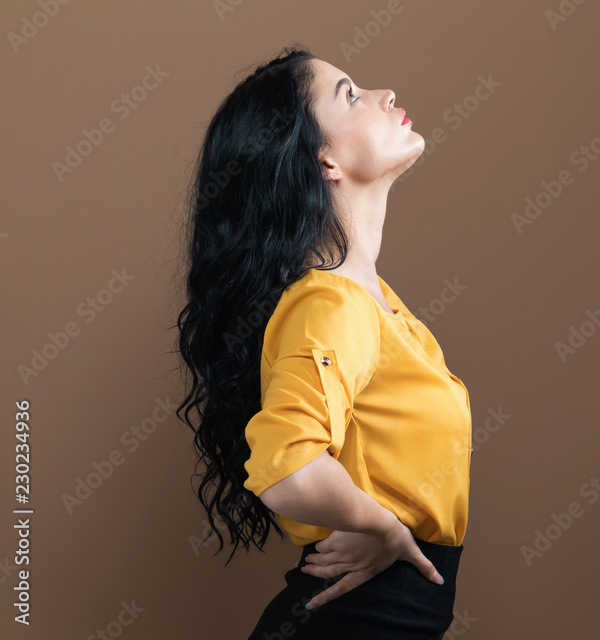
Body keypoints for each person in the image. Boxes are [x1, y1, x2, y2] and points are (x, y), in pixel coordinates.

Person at [172, 45, 473, 639]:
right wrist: (383, 528)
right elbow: (289, 467)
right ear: (324, 159)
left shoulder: (376, 302)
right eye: (353, 96)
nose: (387, 95)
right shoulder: (329, 303)